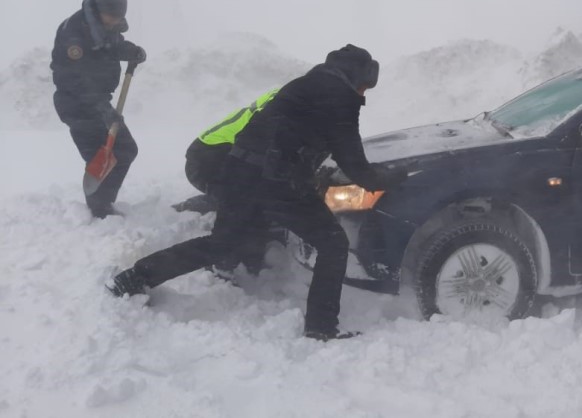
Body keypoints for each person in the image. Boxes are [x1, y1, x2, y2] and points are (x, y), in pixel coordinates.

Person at [107, 44, 408, 341]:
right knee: (332, 243)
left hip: (239, 172)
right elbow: (353, 161)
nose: (364, 93)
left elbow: (290, 136)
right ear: (356, 77)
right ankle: (321, 326)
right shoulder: (341, 98)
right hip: (277, 182)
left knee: (221, 244)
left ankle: (135, 277)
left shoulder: (302, 86)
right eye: (366, 86)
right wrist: (389, 179)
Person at [51, 0, 147, 218]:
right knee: (100, 155)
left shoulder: (103, 26)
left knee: (125, 150)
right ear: (99, 10)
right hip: (76, 105)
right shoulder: (73, 34)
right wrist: (101, 108)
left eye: (118, 19)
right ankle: (99, 208)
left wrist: (131, 51)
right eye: (111, 18)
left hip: (99, 104)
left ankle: (102, 203)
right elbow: (73, 79)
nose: (114, 23)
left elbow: (110, 48)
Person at [173, 88, 279, 214]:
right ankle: (190, 210)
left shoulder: (287, 95)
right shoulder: (281, 106)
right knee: (253, 197)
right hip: (208, 158)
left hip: (211, 152)